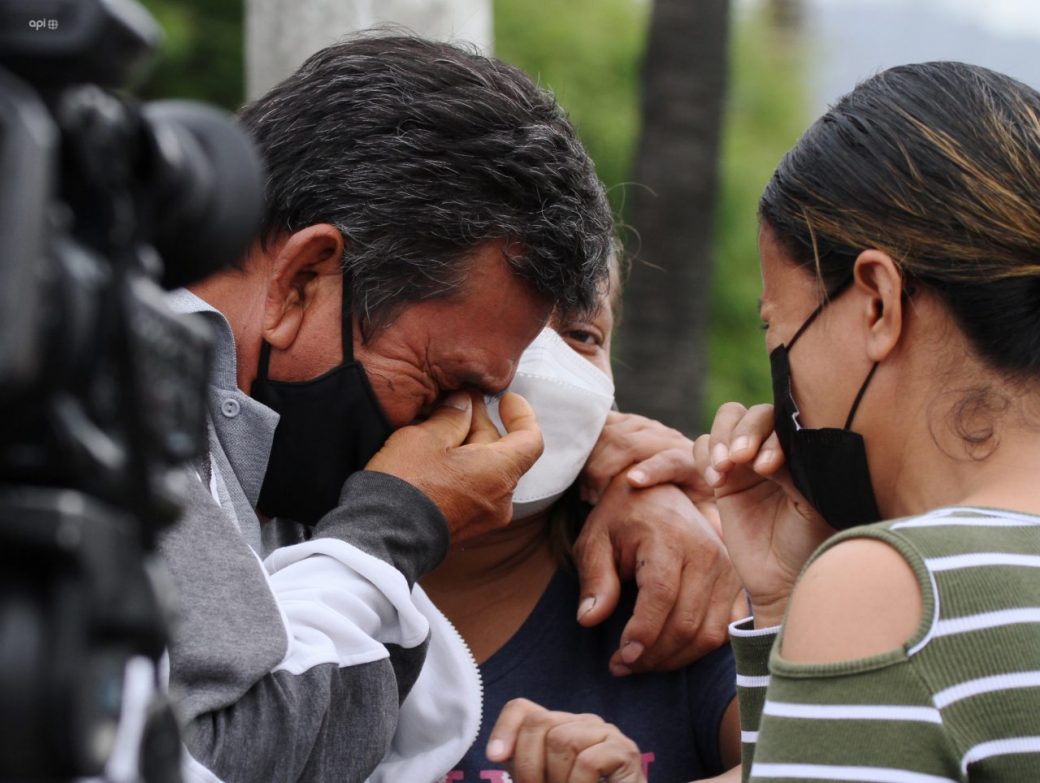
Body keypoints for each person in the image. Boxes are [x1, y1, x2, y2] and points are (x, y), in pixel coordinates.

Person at [161, 35, 737, 783]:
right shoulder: (107, 425)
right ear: (302, 277)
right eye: (444, 380)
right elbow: (220, 756)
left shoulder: (273, 449)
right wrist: (388, 529)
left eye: (584, 339)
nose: (453, 425)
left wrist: (620, 468)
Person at [484, 60, 1040, 782]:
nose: (782, 380)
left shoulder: (893, 590)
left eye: (779, 328)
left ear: (877, 302)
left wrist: (819, 598)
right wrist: (779, 600)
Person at [423, 261, 742, 782]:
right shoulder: (283, 553)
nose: (539, 362)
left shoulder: (671, 575)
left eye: (581, 335)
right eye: (503, 313)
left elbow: (831, 765)